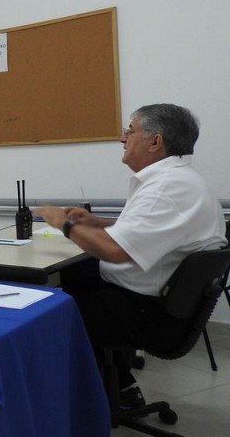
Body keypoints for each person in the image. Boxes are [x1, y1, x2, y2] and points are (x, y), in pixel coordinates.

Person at [34, 103, 227, 410]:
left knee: (42, 309)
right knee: (76, 278)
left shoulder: (166, 188)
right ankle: (120, 385)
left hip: (147, 314)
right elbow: (150, 231)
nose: (122, 138)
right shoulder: (180, 181)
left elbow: (115, 251)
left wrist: (63, 223)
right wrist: (98, 223)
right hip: (163, 305)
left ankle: (70, 405)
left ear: (155, 142)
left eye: (130, 130)